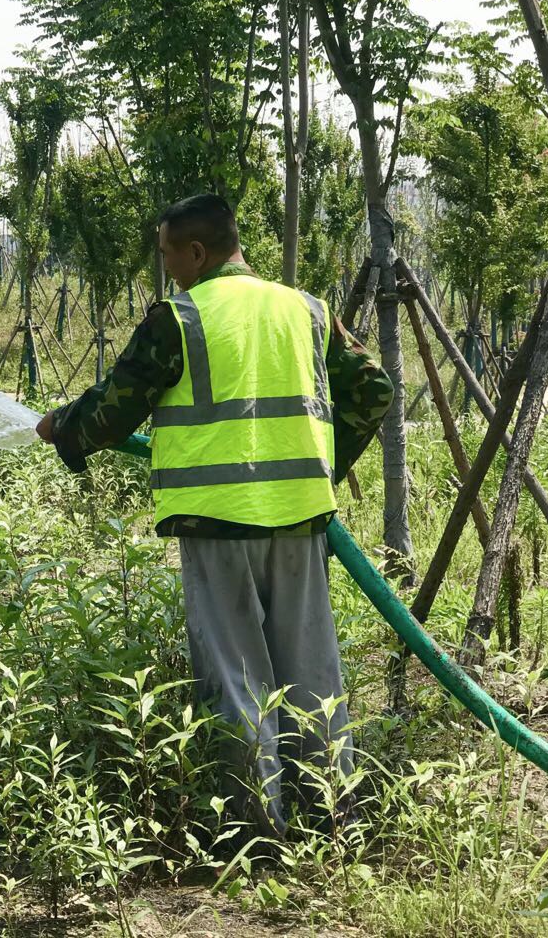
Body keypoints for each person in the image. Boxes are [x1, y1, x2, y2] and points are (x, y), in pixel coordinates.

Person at [35, 193, 393, 834]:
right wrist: (322, 463)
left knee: (237, 678)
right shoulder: (305, 308)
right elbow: (374, 387)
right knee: (312, 670)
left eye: (168, 252)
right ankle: (332, 816)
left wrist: (64, 427)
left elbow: (117, 408)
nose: (167, 265)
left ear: (196, 251)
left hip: (216, 521)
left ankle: (258, 832)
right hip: (300, 516)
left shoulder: (179, 317)